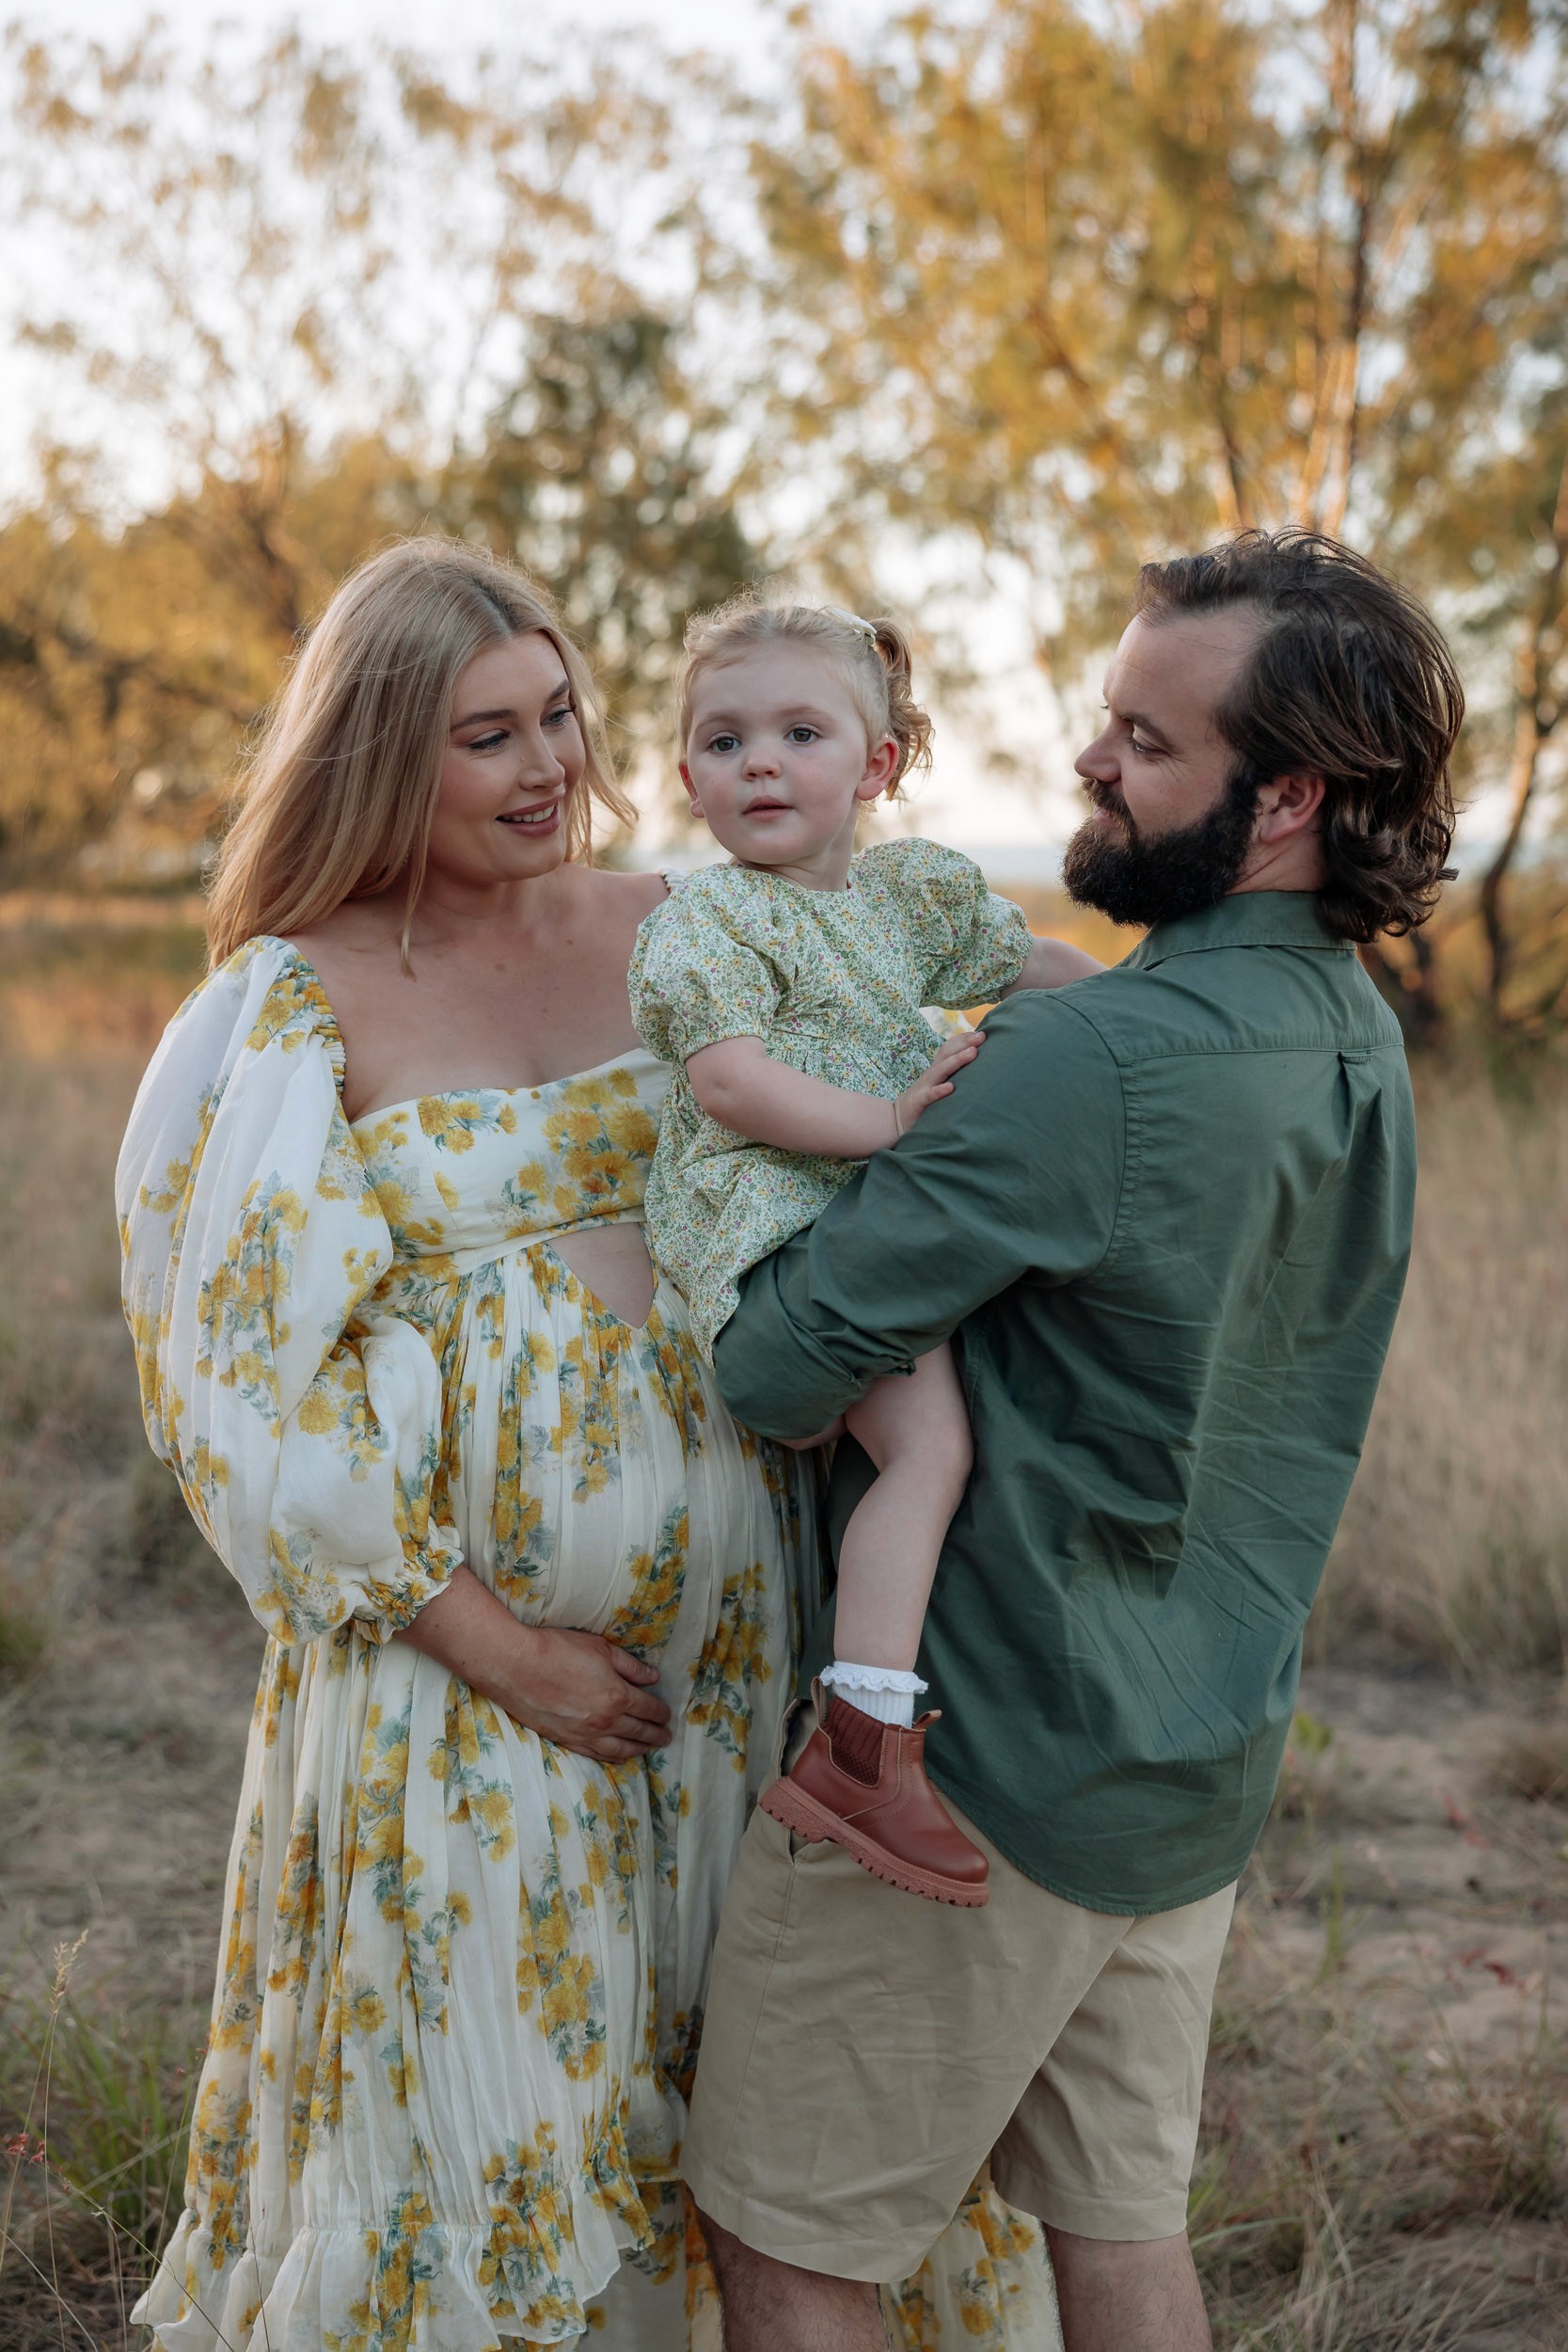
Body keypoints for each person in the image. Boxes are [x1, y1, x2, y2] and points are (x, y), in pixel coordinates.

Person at [116, 535, 1060, 2351]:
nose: (550, 765)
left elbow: (914, 1052)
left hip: (742, 1662)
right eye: (487, 736)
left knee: (752, 2145)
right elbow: (233, 1393)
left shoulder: (680, 926)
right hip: (461, 1698)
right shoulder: (280, 1008)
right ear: (382, 755)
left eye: (561, 714)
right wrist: (511, 1655)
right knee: (486, 2138)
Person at [682, 529, 1464, 2352]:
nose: (1096, 760)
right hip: (1189, 1758)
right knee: (1117, 2231)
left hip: (970, 1765)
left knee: (791, 2248)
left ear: (1290, 800)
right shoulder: (1350, 1031)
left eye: (1148, 736)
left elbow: (783, 1368)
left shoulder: (1090, 1063)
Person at [629, 597, 1097, 1906]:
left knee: (939, 1438)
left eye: (798, 732)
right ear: (688, 781)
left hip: (872, 1220)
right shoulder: (705, 927)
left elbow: (1030, 962)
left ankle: (863, 1705)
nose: (758, 764)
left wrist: (1135, 1007)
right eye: (722, 743)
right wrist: (888, 1121)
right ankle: (866, 1749)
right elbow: (729, 1088)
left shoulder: (909, 897)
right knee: (932, 1448)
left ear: (877, 764)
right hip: (776, 1221)